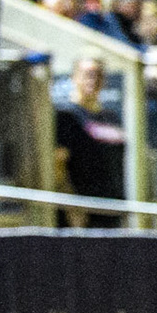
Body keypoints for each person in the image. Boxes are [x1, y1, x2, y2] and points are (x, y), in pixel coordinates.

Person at [53, 55, 125, 227]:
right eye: (87, 74)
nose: (93, 80)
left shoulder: (111, 118)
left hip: (111, 210)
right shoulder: (66, 117)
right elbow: (58, 167)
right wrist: (72, 208)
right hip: (82, 215)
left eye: (98, 75)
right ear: (74, 77)